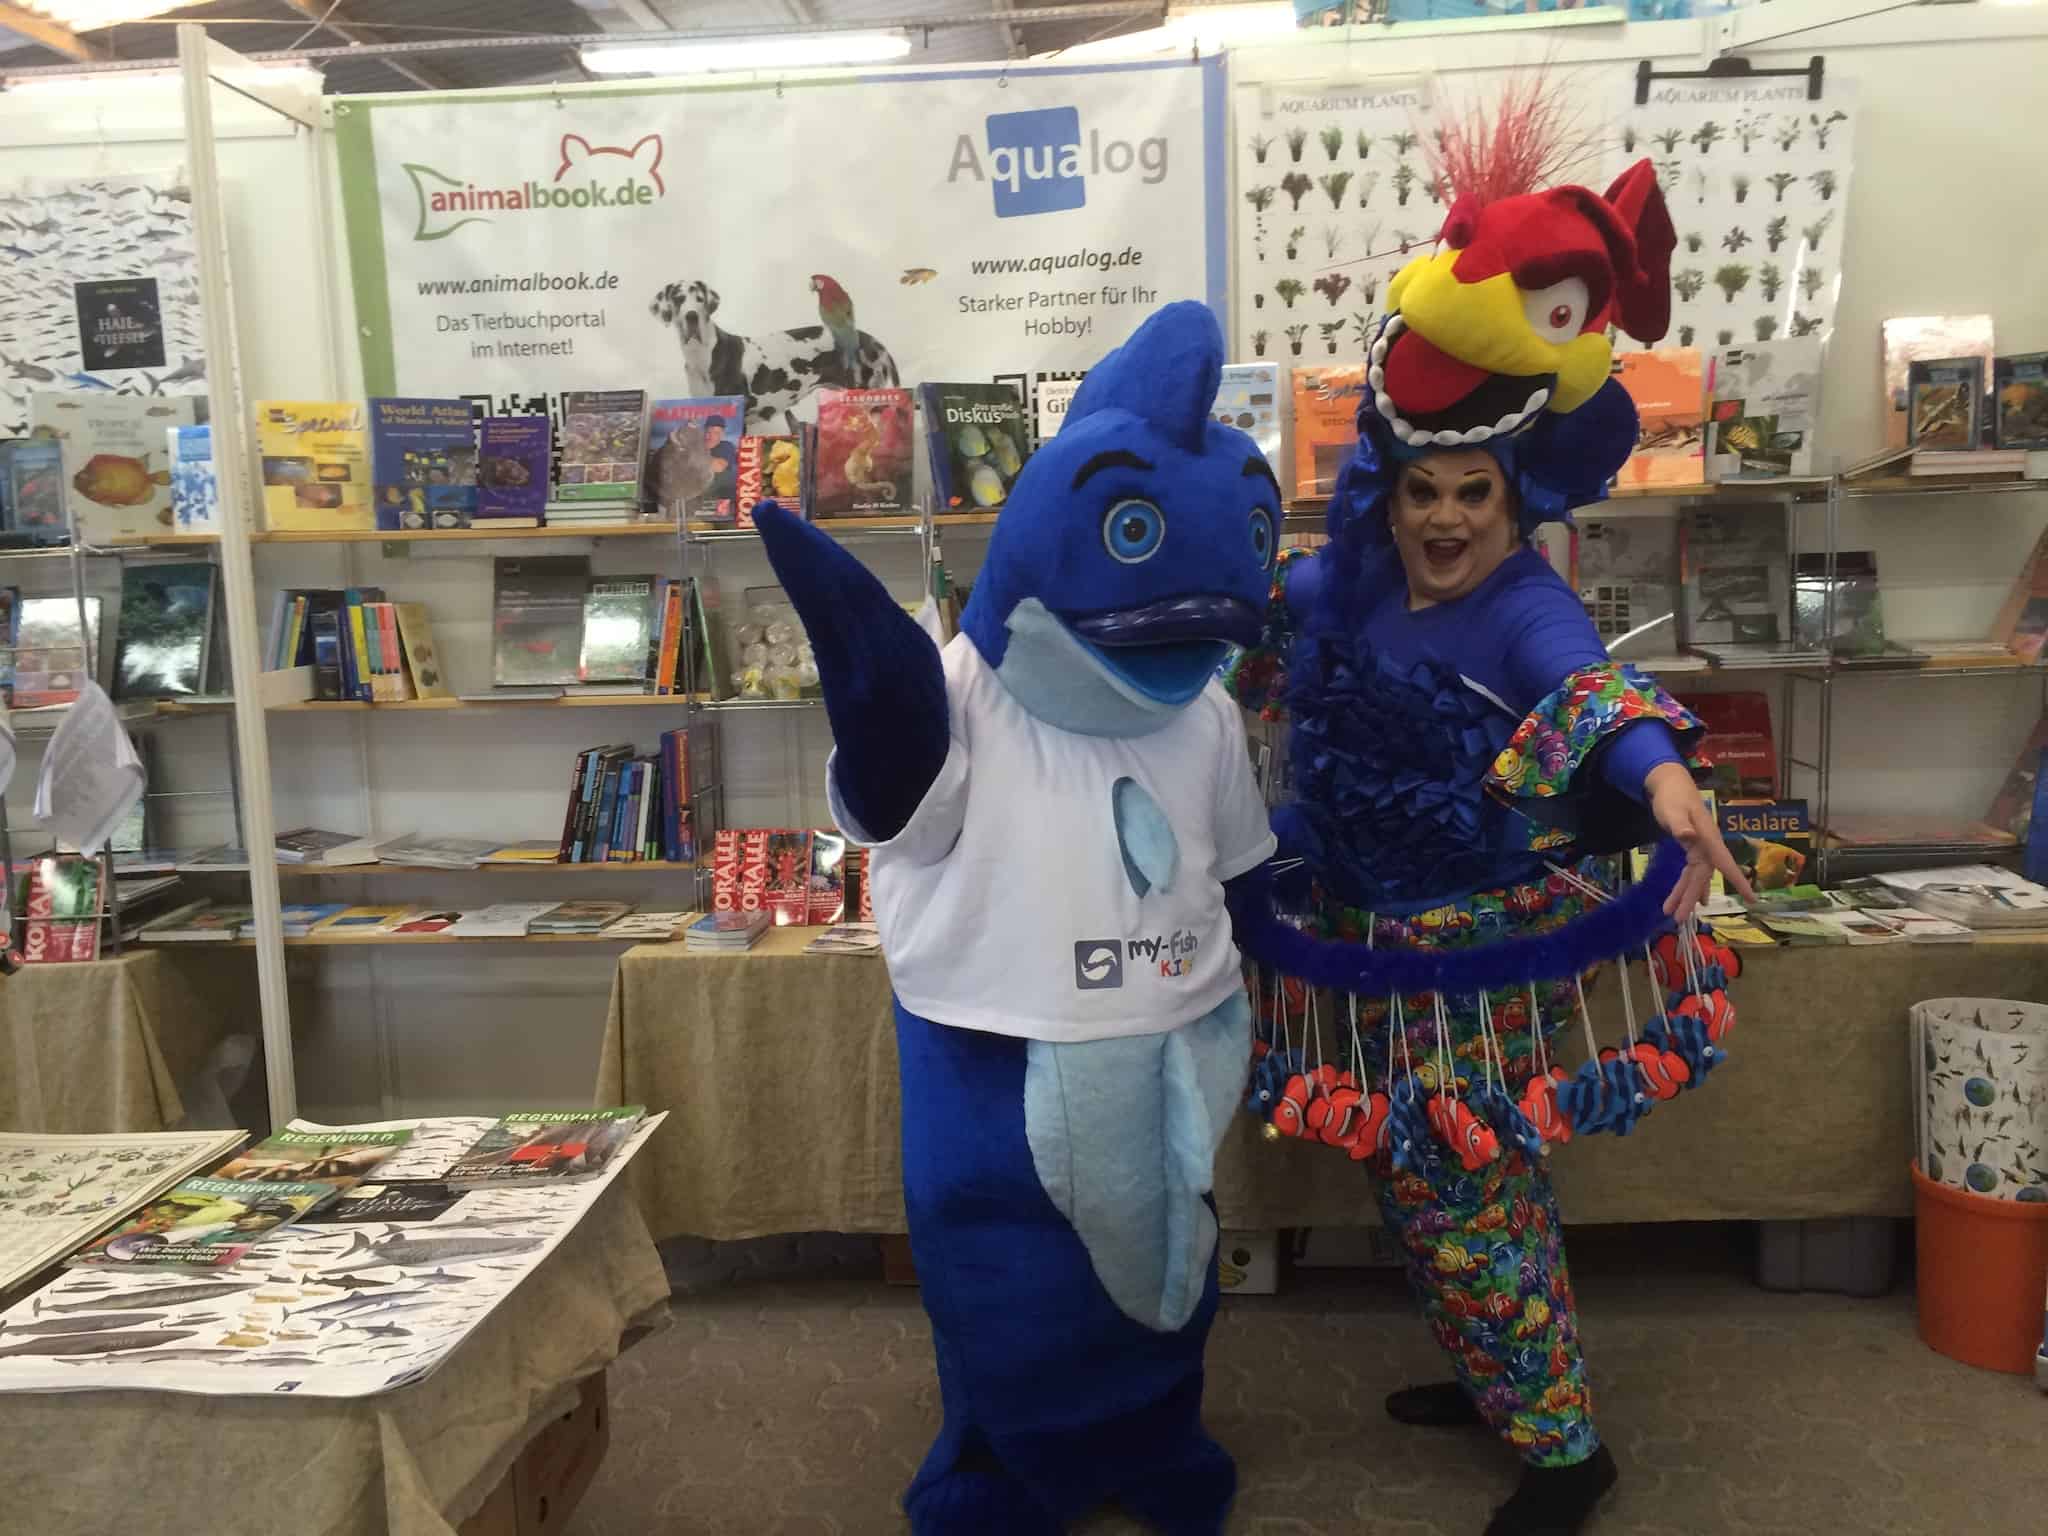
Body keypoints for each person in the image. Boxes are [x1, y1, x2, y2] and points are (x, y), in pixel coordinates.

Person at [1225, 108, 1751, 1536]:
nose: (1448, 519)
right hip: (1362, 933)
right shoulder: (1340, 585)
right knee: (1431, 1179)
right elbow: (1243, 627)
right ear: (1387, 494)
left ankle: (1566, 1450)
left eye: (1475, 494)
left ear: (1514, 500)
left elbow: (1585, 689)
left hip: (1480, 950)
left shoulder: (1525, 602)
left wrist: (1663, 775)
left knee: (1462, 1179)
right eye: (1423, 492)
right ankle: (1496, 1371)